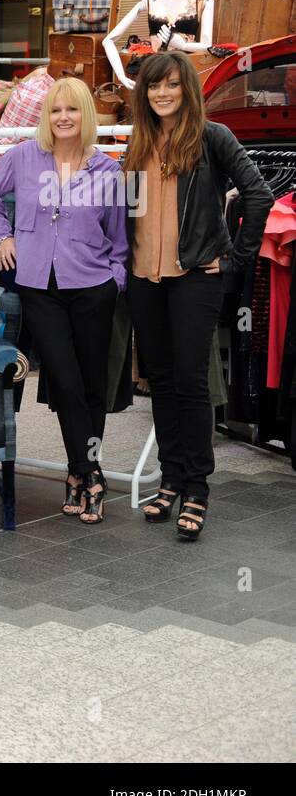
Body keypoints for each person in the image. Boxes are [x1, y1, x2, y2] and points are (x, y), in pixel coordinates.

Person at [123, 50, 273, 540]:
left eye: (170, 85)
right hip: (146, 278)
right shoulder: (138, 142)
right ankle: (170, 478)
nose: (162, 94)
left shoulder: (212, 138)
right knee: (160, 383)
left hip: (195, 278)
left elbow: (259, 194)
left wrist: (233, 260)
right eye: (153, 86)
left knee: (190, 382)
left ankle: (197, 488)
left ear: (187, 89)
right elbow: (130, 211)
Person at [0, 77, 129, 524]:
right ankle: (91, 472)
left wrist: (115, 280)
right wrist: (3, 235)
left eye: (73, 110)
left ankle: (76, 474)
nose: (64, 118)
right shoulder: (24, 158)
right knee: (64, 382)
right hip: (39, 287)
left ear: (86, 115)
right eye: (56, 110)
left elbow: (119, 237)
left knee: (91, 387)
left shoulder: (108, 171)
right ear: (47, 116)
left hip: (92, 287)